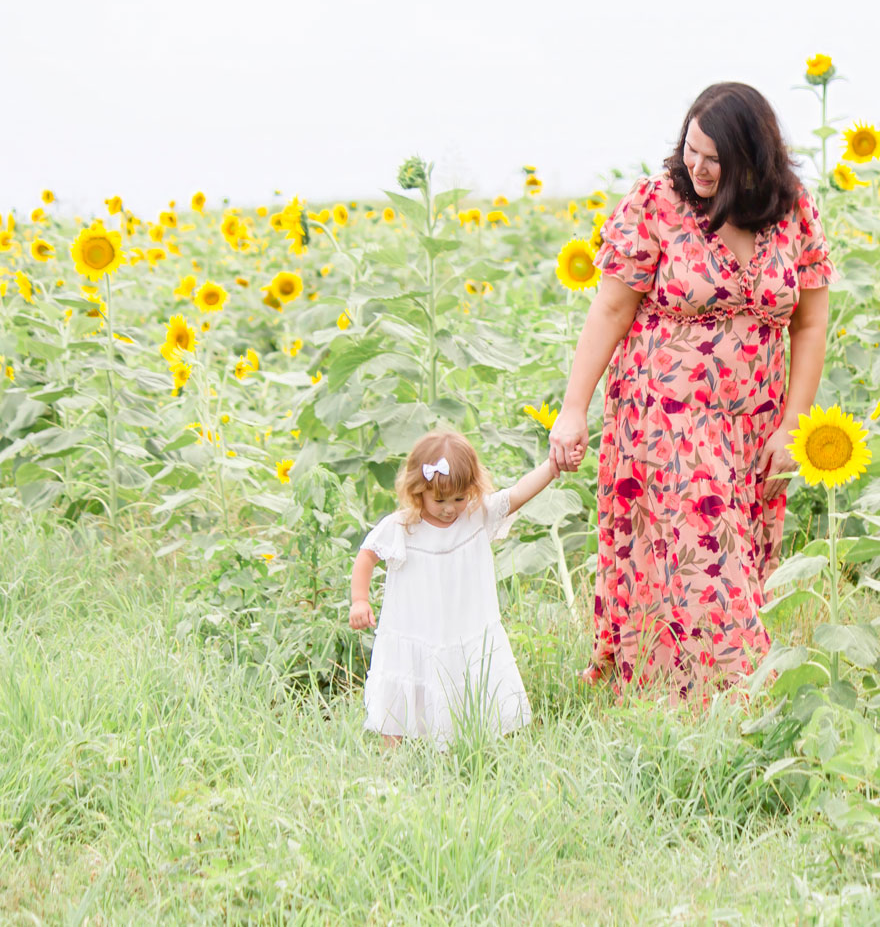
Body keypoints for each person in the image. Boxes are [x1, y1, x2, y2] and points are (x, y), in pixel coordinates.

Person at [547, 81, 836, 702]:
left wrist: (795, 425)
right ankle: (747, 706)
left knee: (723, 559)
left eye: (715, 157)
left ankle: (675, 697)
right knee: (712, 558)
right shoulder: (658, 203)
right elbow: (610, 310)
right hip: (667, 415)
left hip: (753, 421)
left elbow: (810, 323)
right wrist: (574, 410)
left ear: (753, 159)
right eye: (691, 150)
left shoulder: (793, 213)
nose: (698, 167)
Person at [348, 428, 557, 749]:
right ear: (418, 491)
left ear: (471, 489)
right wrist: (359, 600)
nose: (449, 508)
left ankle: (470, 747)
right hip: (413, 628)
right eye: (440, 500)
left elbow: (517, 494)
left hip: (464, 628)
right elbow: (366, 556)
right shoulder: (403, 527)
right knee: (402, 685)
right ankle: (393, 757)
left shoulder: (476, 517)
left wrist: (552, 465)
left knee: (468, 680)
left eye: (459, 498)